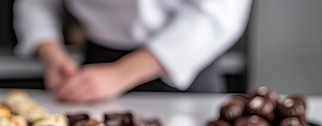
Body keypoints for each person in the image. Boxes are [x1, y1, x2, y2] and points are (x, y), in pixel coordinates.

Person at [14, 0, 252, 103]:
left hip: (184, 62)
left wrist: (121, 74)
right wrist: (55, 58)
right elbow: (36, 4)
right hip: (96, 66)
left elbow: (219, 12)